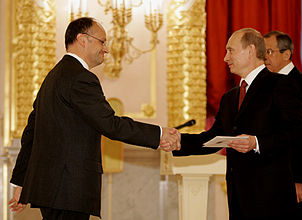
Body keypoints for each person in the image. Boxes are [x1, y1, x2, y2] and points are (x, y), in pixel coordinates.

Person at [8, 17, 180, 219]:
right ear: (82, 39)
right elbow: (110, 124)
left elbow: (31, 133)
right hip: (69, 190)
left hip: (51, 191)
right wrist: (158, 134)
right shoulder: (80, 77)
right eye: (102, 41)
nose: (106, 49)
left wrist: (21, 182)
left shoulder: (52, 77)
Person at [171, 28, 302, 220]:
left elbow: (296, 133)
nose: (225, 58)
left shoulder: (281, 85)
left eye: (230, 50)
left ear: (250, 50)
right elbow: (213, 138)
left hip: (272, 200)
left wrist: (256, 142)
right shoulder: (230, 97)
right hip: (238, 200)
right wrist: (176, 141)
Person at [264, 30, 302, 220]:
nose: (265, 57)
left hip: (295, 180)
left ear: (286, 54)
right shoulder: (268, 84)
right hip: (272, 179)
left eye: (269, 52)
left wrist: (300, 178)